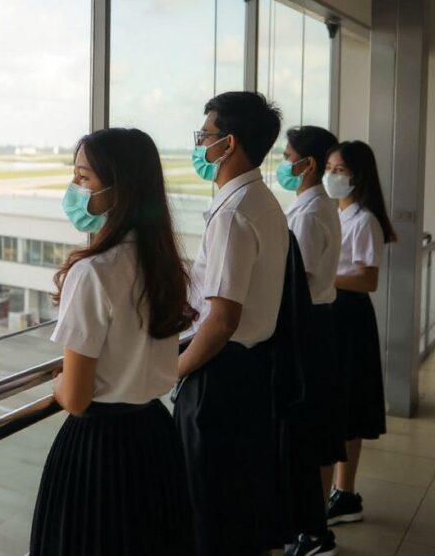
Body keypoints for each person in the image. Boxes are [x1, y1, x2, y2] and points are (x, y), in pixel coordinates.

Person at [29, 127, 197, 556]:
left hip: (100, 452)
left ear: (118, 189)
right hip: (154, 436)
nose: (74, 189)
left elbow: (78, 396)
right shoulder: (164, 264)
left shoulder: (94, 273)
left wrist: (57, 384)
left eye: (83, 179)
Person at [174, 91, 289, 555]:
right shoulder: (260, 201)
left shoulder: (235, 213)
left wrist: (174, 371)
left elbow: (221, 320)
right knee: (237, 503)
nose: (199, 144)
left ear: (229, 143)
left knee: (209, 506)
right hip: (249, 370)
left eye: (205, 135)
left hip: (220, 375)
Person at [277, 126, 344, 556]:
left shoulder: (307, 214)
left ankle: (313, 531)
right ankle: (312, 525)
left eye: (288, 158)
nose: (284, 165)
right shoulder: (317, 205)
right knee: (315, 431)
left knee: (306, 432)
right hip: (321, 319)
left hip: (309, 323)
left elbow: (292, 281)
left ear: (308, 165)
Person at [323, 140, 397, 526]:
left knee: (349, 406)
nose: (332, 176)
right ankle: (340, 492)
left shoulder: (364, 219)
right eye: (330, 169)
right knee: (339, 404)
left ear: (358, 176)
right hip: (333, 311)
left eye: (339, 171)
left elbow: (368, 280)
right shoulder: (336, 213)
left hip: (349, 316)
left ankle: (345, 493)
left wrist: (317, 279)